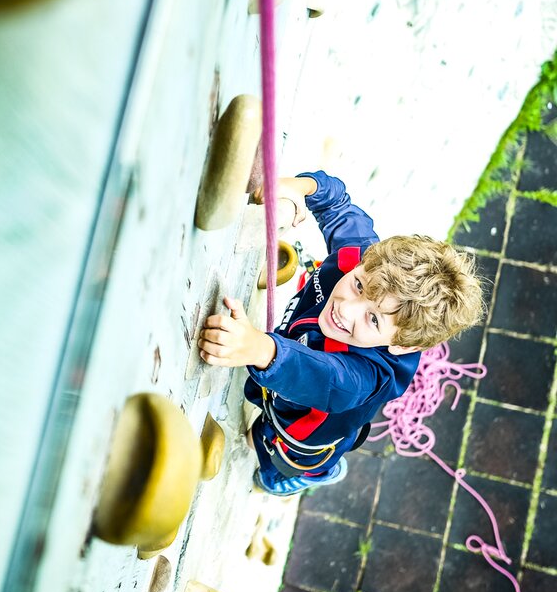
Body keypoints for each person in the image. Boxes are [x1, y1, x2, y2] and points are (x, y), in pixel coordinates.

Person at [198, 170, 484, 497]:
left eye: (374, 320)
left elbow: (321, 377)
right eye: (358, 284)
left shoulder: (362, 377)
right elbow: (336, 201)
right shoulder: (363, 260)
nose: (346, 309)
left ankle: (312, 475)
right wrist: (298, 189)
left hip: (309, 432)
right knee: (259, 399)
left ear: (402, 345)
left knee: (271, 454)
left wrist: (258, 349)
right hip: (286, 357)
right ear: (367, 261)